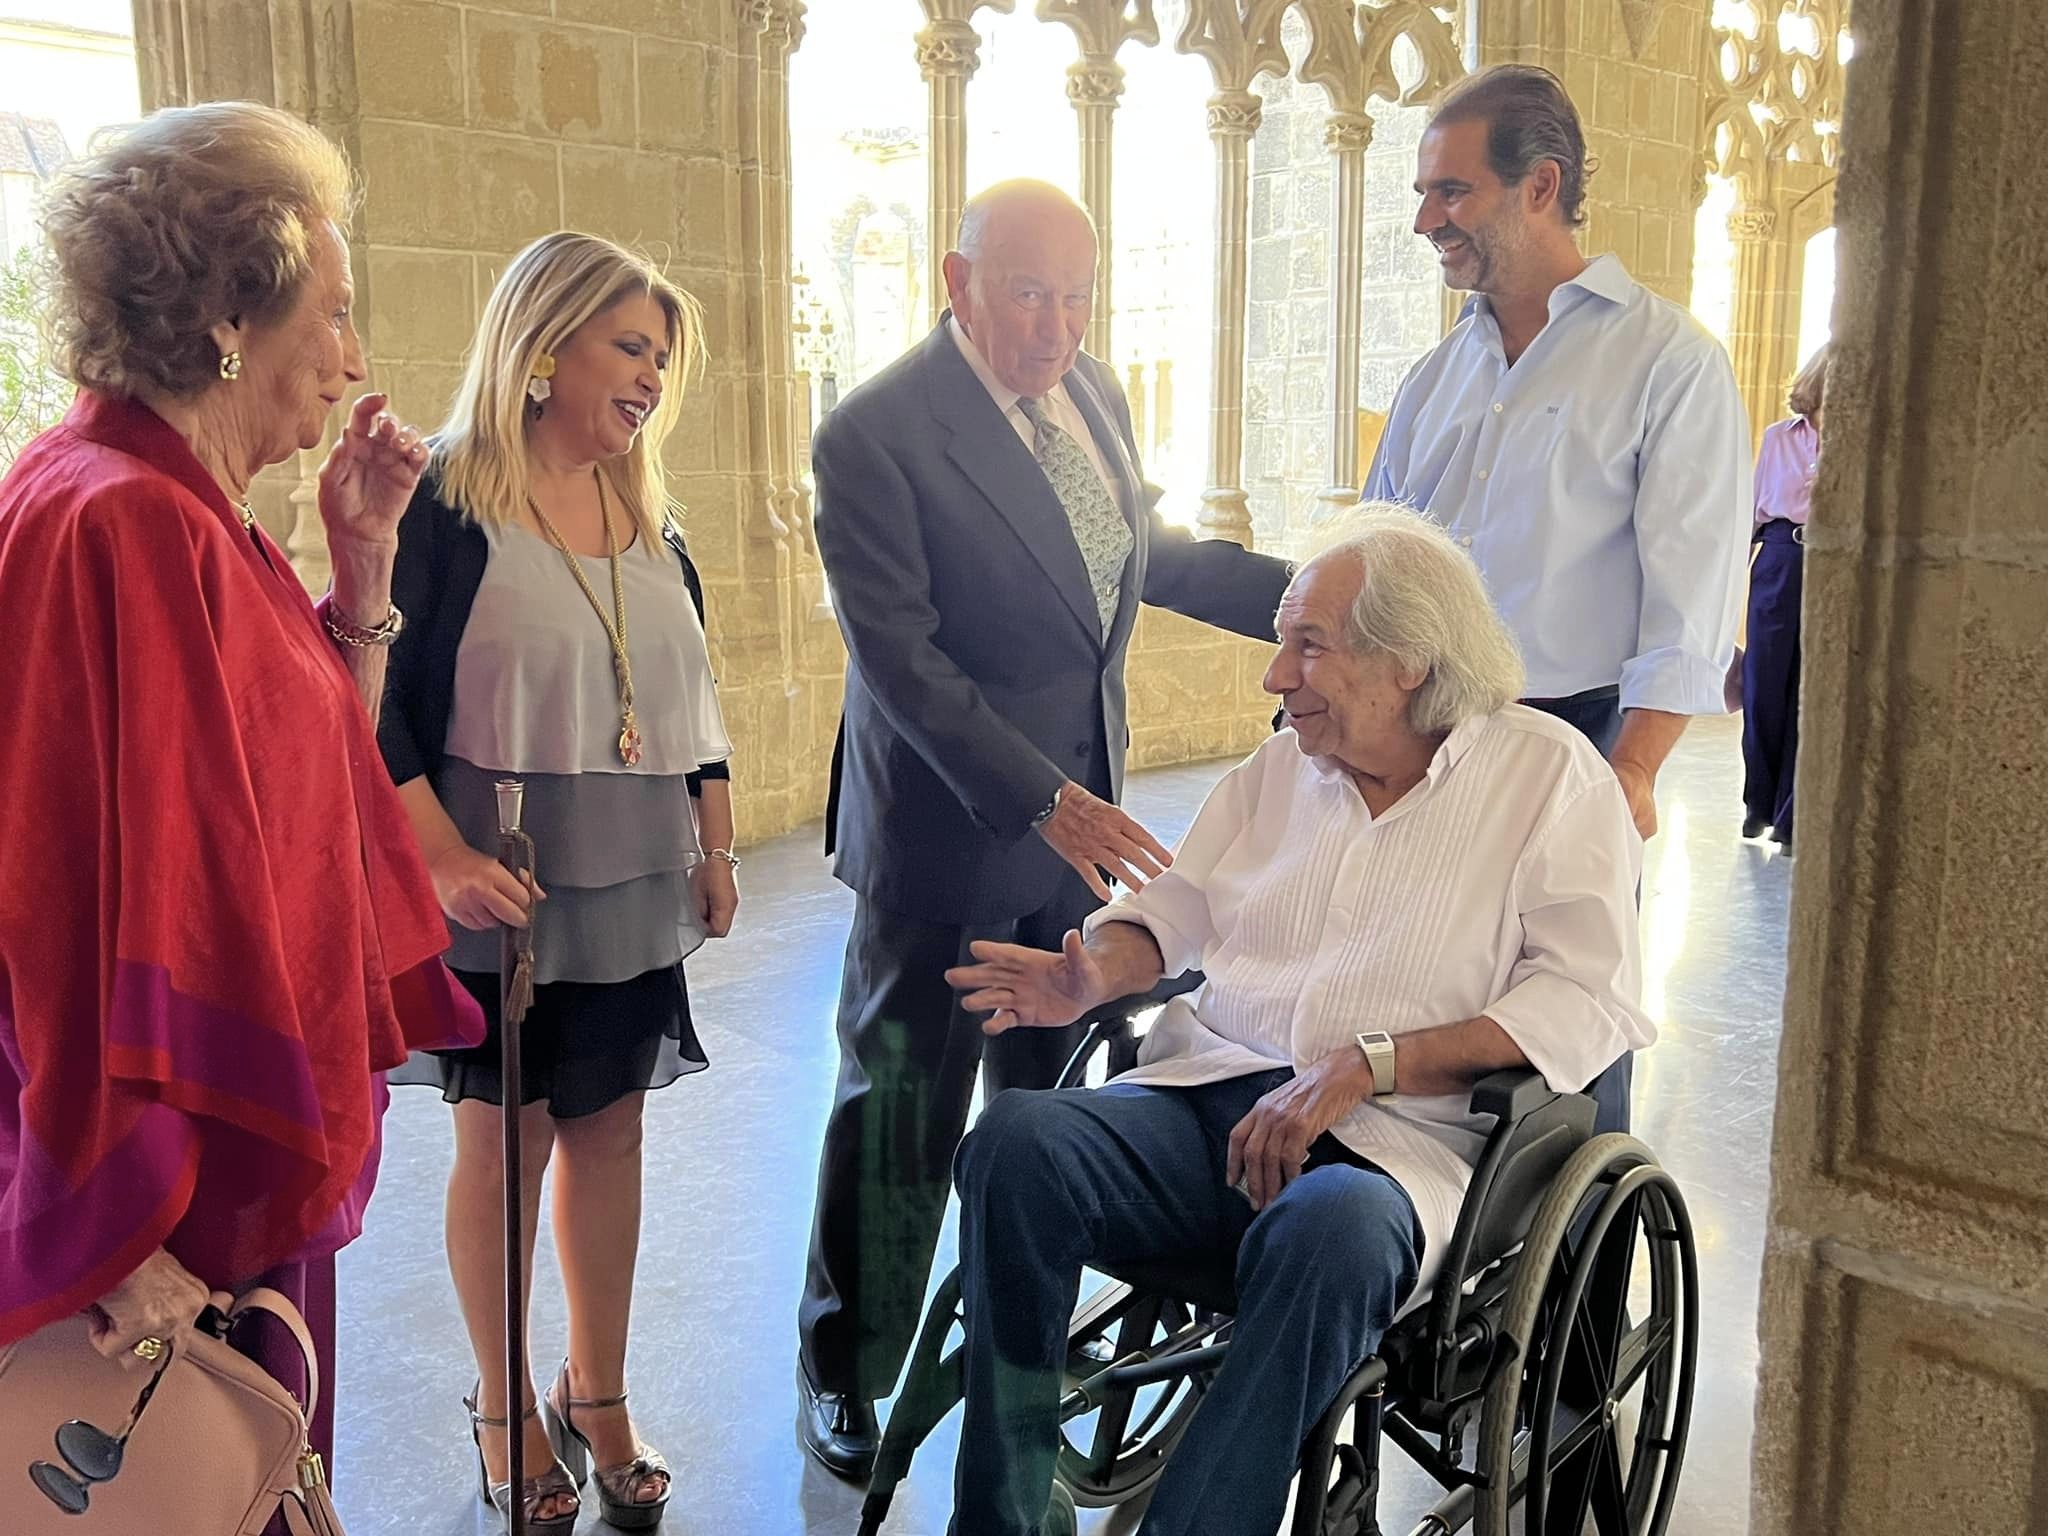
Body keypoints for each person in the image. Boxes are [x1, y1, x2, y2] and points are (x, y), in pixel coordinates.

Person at [942, 509, 1653, 1536]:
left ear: (1408, 659)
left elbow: (1586, 998)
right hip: (1207, 1103)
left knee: (1330, 1235)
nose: (1275, 676)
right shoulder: (1279, 770)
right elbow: (1176, 911)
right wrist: (1089, 977)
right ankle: (999, 1519)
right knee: (1016, 1143)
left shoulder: (1548, 778)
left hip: (1397, 1151)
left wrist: (1369, 1065)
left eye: (1307, 645)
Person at [0, 101, 479, 1497]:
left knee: (250, 1476)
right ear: (226, 317)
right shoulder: (121, 519)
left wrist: (363, 570)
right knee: (189, 1491)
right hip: (167, 1180)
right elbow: (51, 904)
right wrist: (106, 1227)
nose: (353, 360)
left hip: (213, 1136)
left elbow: (296, 787)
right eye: (333, 313)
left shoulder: (189, 511)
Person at [797, 178, 1295, 1480]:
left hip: (1077, 830)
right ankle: (847, 1365)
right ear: (957, 283)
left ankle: (1016, 1336)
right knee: (903, 1112)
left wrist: (1320, 598)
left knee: (1045, 1107)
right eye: (1028, 296)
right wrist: (1042, 798)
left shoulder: (1097, 396)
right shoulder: (875, 434)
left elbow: (1144, 555)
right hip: (952, 833)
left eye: (1078, 299)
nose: (1056, 328)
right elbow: (902, 663)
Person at [377, 232, 731, 1533]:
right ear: (542, 345)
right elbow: (378, 707)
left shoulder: (651, 518)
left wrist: (716, 843)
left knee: (613, 1129)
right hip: (502, 879)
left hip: (632, 874)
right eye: (629, 347)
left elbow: (696, 703)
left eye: (660, 358)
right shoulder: (444, 503)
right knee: (506, 1142)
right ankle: (500, 1402)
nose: (650, 378)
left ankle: (598, 1390)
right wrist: (442, 860)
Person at [1366, 64, 1751, 1132]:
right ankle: (1419, 1217)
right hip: (1423, 737)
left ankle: (1572, 1233)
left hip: (1576, 740)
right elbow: (1380, 563)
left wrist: (1633, 770)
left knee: (1562, 1032)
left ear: (1539, 187)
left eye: (1451, 192)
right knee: (1416, 1008)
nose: (1426, 221)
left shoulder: (1666, 362)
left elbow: (1690, 595)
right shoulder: (1436, 377)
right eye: (1423, 194)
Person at [1740, 344, 1827, 854]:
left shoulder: (1865, 439)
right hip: (1778, 557)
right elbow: (1752, 508)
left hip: (1832, 563)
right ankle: (1759, 802)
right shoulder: (1779, 437)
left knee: (1810, 691)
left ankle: (1793, 817)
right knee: (1762, 686)